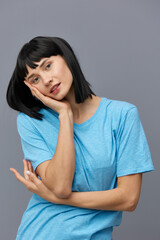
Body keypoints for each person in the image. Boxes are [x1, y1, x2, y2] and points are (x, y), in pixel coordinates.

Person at [7, 36, 155, 240]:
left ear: (67, 57)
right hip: (41, 232)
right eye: (35, 79)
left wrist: (59, 200)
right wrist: (65, 115)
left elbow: (128, 199)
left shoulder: (122, 116)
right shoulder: (32, 121)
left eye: (48, 66)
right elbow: (60, 186)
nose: (46, 80)